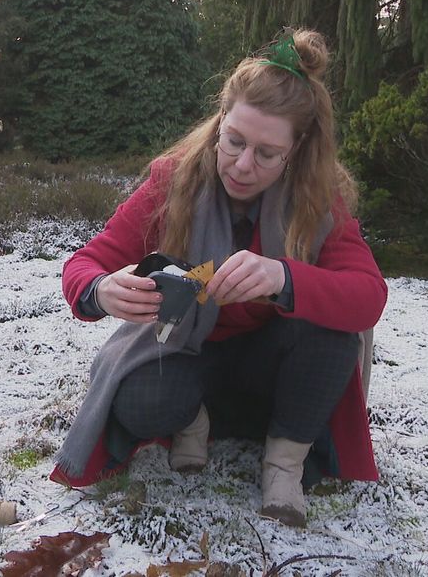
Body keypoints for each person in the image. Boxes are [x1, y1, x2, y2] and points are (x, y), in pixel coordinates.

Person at [51, 28, 388, 528]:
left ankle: (283, 466)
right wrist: (101, 290)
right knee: (139, 400)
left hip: (272, 376)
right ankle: (193, 422)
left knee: (333, 333)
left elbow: (368, 298)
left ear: (295, 152)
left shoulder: (319, 202)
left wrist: (284, 277)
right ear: (219, 124)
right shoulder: (172, 181)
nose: (243, 165)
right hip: (189, 362)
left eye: (267, 154)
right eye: (233, 141)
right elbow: (84, 265)